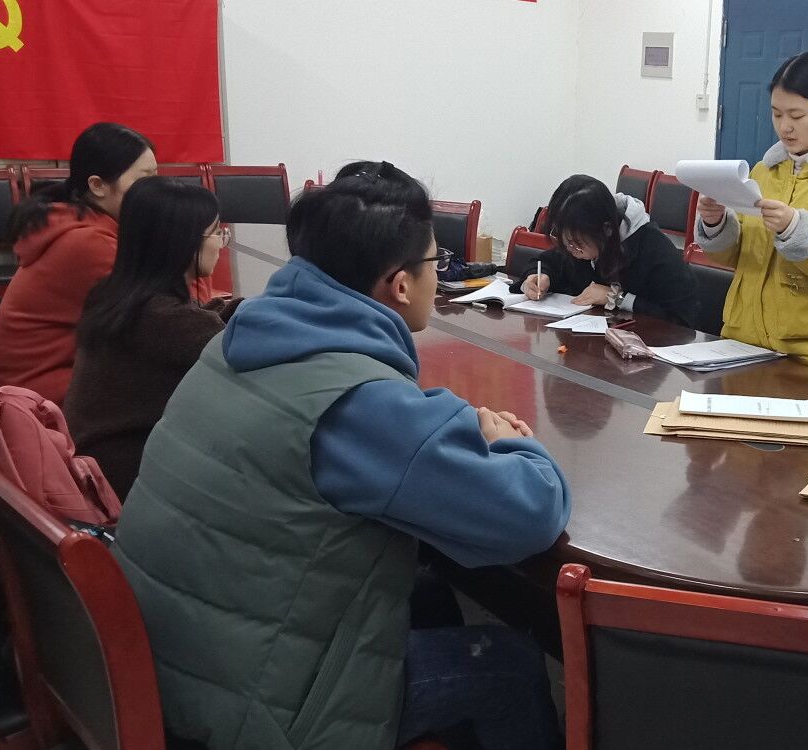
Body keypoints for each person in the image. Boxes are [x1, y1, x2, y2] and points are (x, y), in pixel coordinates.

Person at [111, 161, 570, 750]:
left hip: (170, 662)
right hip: (253, 710)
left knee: (428, 592)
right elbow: (529, 514)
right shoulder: (360, 402)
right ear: (400, 285)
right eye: (437, 264)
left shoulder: (237, 341)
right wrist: (511, 445)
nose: (439, 277)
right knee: (510, 666)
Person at [694, 50, 808, 374]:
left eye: (796, 115)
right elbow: (738, 257)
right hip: (743, 341)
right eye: (776, 114)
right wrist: (716, 224)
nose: (785, 127)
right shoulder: (765, 171)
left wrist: (796, 230)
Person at [63, 177, 241, 498]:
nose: (220, 242)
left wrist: (249, 308)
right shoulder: (165, 320)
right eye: (216, 232)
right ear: (182, 242)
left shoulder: (118, 295)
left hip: (97, 455)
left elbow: (200, 320)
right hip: (133, 476)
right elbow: (239, 352)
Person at [0, 122, 158, 402]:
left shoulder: (79, 221)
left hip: (56, 379)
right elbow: (163, 315)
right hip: (45, 399)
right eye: (144, 181)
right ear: (97, 185)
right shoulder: (89, 243)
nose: (156, 192)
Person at [514, 174, 698, 327]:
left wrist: (617, 298)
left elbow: (681, 319)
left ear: (607, 229)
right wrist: (537, 277)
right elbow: (548, 262)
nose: (570, 250)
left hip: (645, 350)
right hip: (585, 342)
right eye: (564, 241)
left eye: (576, 244)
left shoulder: (653, 250)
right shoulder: (580, 241)